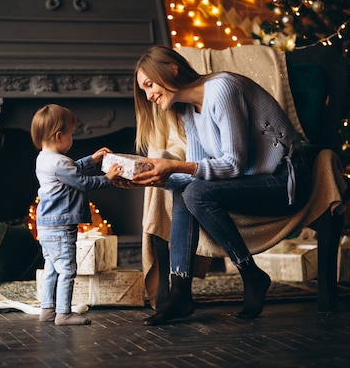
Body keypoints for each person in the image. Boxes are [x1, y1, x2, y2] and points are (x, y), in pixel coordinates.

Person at [122, 45, 311, 326]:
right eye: (144, 90)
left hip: (286, 181)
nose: (149, 95)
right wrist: (149, 179)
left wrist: (172, 166)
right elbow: (198, 174)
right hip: (251, 181)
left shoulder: (222, 89)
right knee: (185, 190)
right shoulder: (188, 110)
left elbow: (233, 164)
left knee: (194, 191)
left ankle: (251, 275)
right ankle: (180, 293)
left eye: (149, 84)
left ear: (172, 69)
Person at [30, 104, 124, 326]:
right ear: (59, 136)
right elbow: (81, 182)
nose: (72, 138)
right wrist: (107, 178)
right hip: (61, 227)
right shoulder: (60, 163)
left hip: (46, 226)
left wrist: (92, 159)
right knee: (68, 270)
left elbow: (72, 168)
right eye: (71, 134)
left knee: (52, 268)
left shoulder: (44, 159)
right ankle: (63, 313)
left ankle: (47, 309)